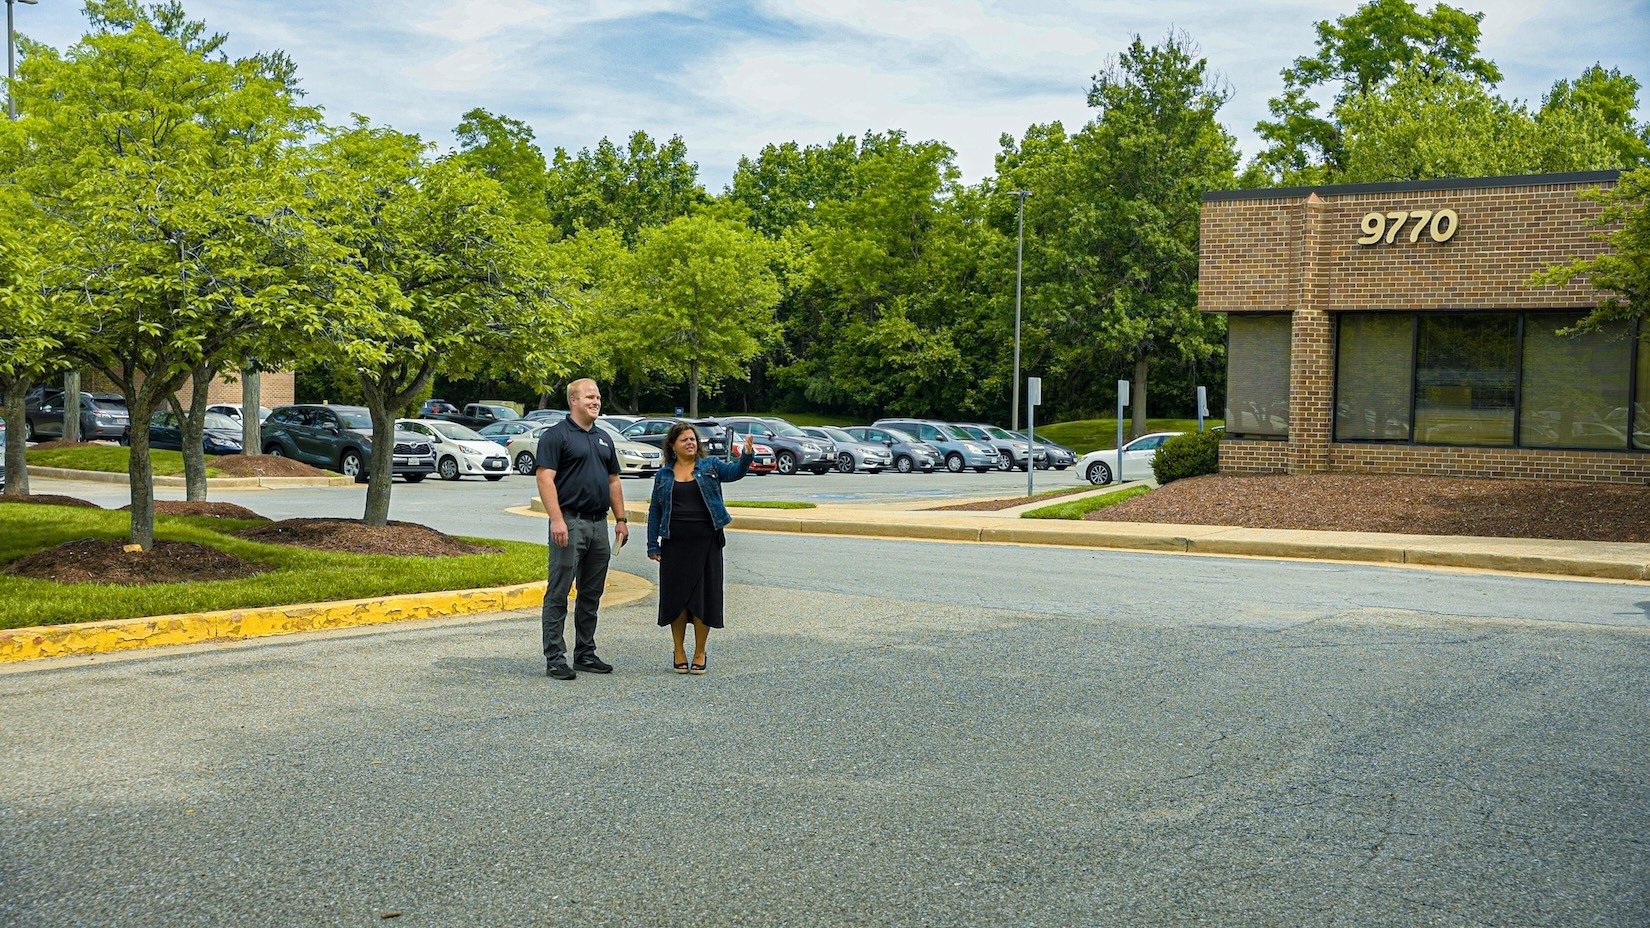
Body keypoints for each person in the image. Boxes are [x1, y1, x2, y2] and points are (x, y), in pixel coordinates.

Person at [535, 378, 629, 680]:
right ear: (573, 400)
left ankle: (585, 654)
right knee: (559, 592)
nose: (596, 401)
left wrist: (622, 520)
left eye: (598, 397)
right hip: (569, 522)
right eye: (590, 397)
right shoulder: (556, 436)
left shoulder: (603, 437)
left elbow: (613, 481)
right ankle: (555, 658)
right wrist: (557, 519)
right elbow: (545, 478)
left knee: (592, 593)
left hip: (598, 523)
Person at [647, 421, 754, 674]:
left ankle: (699, 651)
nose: (690, 442)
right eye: (684, 439)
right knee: (677, 600)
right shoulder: (663, 475)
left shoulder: (710, 467)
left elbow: (735, 472)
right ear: (672, 445)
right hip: (674, 544)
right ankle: (679, 650)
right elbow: (655, 510)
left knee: (703, 599)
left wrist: (747, 456)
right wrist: (652, 543)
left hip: (707, 543)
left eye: (693, 439)